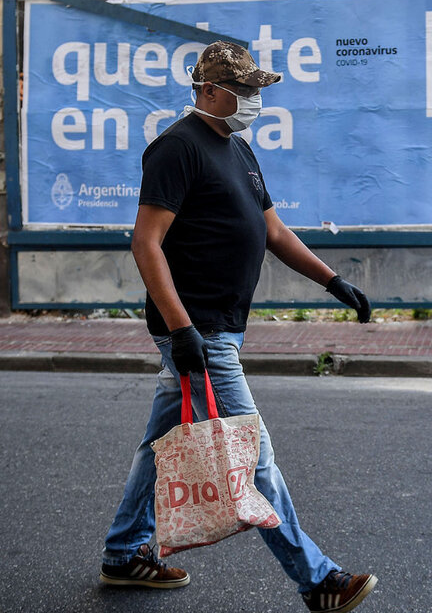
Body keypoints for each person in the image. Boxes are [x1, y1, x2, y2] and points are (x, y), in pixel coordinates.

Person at [99, 41, 377, 613]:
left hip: (219, 327)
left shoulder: (239, 148)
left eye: (255, 91)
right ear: (207, 90)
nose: (252, 100)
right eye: (243, 90)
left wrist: (333, 282)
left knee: (161, 445)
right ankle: (318, 579)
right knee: (253, 456)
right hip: (198, 330)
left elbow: (273, 231)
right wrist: (181, 332)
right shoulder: (176, 148)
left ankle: (124, 555)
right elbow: (145, 242)